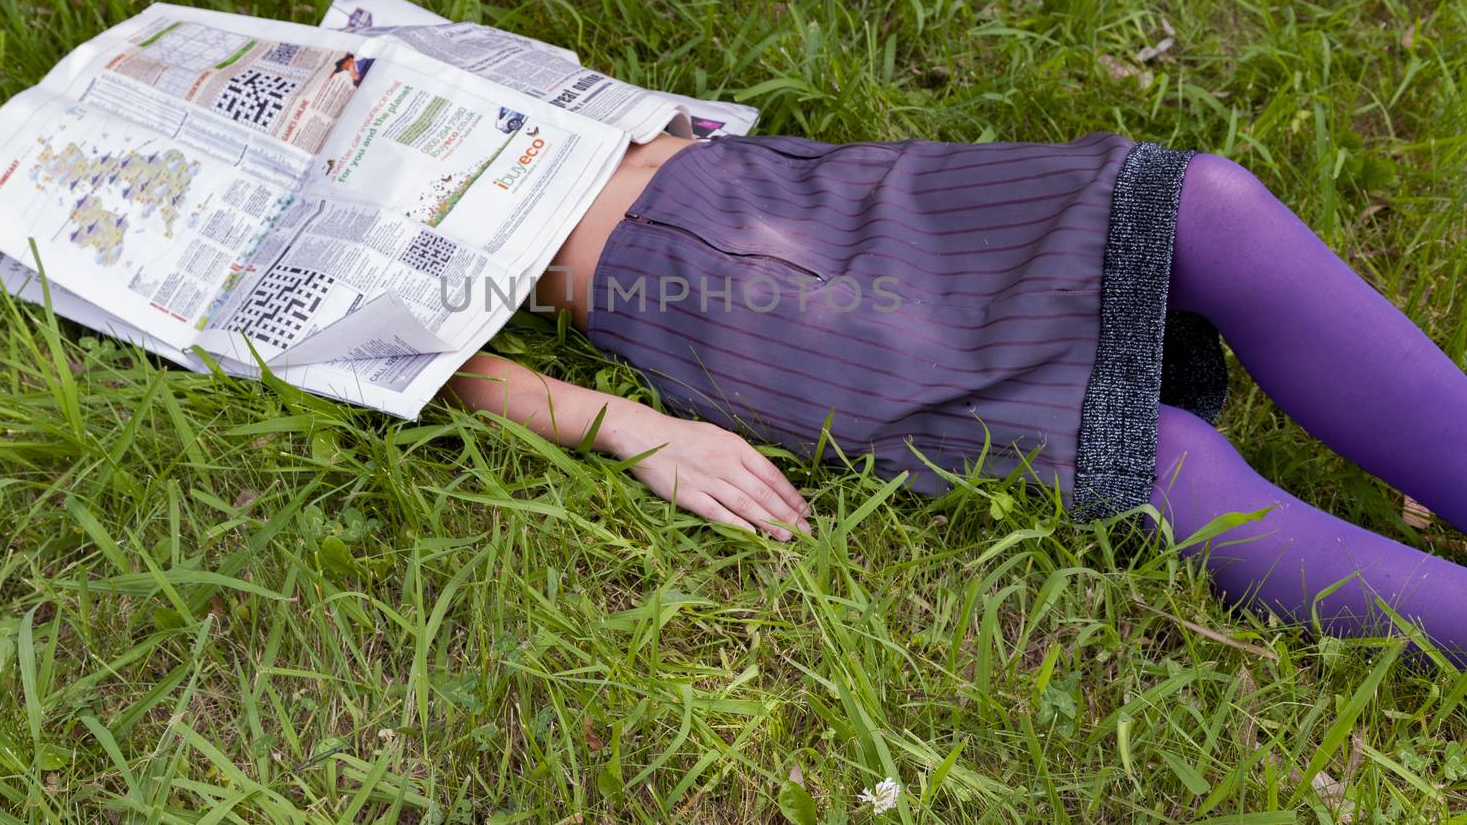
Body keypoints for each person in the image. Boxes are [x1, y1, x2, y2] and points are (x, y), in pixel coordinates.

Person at [444, 130, 1467, 664]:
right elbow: (398, 355)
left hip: (794, 185)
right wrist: (636, 429)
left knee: (1206, 205)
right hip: (702, 284)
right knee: (1129, 451)